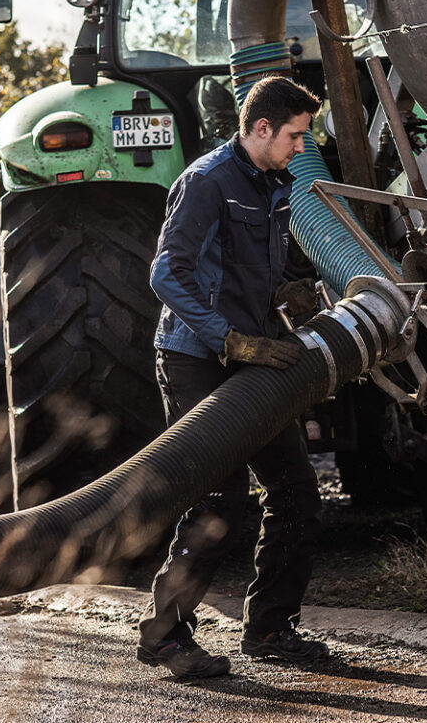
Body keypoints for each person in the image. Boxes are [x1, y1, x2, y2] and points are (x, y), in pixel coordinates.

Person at [137, 76, 326, 679]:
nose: (301, 147)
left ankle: (270, 627)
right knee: (218, 500)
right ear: (262, 128)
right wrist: (227, 338)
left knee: (296, 491)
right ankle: (165, 638)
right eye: (295, 136)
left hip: (254, 358)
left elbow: (251, 267)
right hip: (197, 358)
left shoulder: (273, 183)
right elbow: (167, 275)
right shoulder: (207, 181)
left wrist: (287, 289)